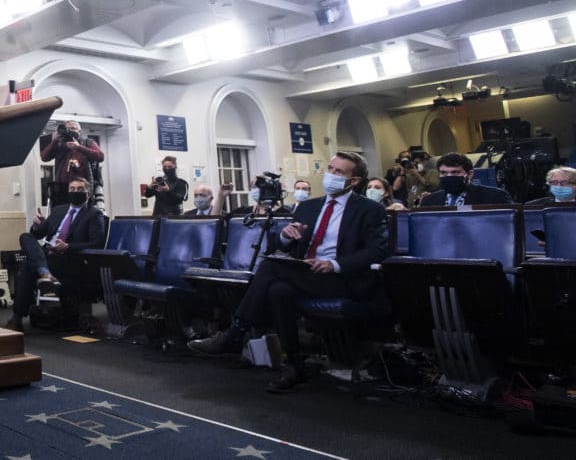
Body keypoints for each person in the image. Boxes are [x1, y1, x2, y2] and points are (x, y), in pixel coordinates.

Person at [187, 152, 389, 394]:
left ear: (354, 181)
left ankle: (235, 332)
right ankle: (294, 365)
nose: (331, 175)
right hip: (308, 274)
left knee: (271, 267)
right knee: (278, 290)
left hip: (342, 278)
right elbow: (281, 245)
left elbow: (377, 250)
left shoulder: (369, 209)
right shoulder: (309, 208)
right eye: (330, 169)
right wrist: (286, 235)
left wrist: (335, 264)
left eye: (339, 172)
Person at [6, 177, 106, 331]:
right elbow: (39, 234)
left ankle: (17, 318)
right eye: (72, 189)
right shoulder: (58, 210)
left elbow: (97, 243)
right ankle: (44, 272)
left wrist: (68, 247)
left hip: (69, 259)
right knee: (26, 237)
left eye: (80, 189)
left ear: (89, 193)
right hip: (48, 254)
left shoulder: (94, 214)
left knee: (27, 266)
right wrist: (37, 226)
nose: (75, 192)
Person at [40, 120, 104, 207]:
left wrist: (79, 147)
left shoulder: (87, 143)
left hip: (82, 190)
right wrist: (55, 140)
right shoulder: (60, 145)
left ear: (79, 131)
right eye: (67, 129)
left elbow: (100, 156)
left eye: (73, 128)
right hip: (62, 191)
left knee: (81, 216)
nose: (70, 131)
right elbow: (44, 157)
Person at [418, 152, 512, 208]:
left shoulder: (495, 197)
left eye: (455, 172)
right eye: (444, 173)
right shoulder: (429, 201)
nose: (449, 176)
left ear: (470, 174)